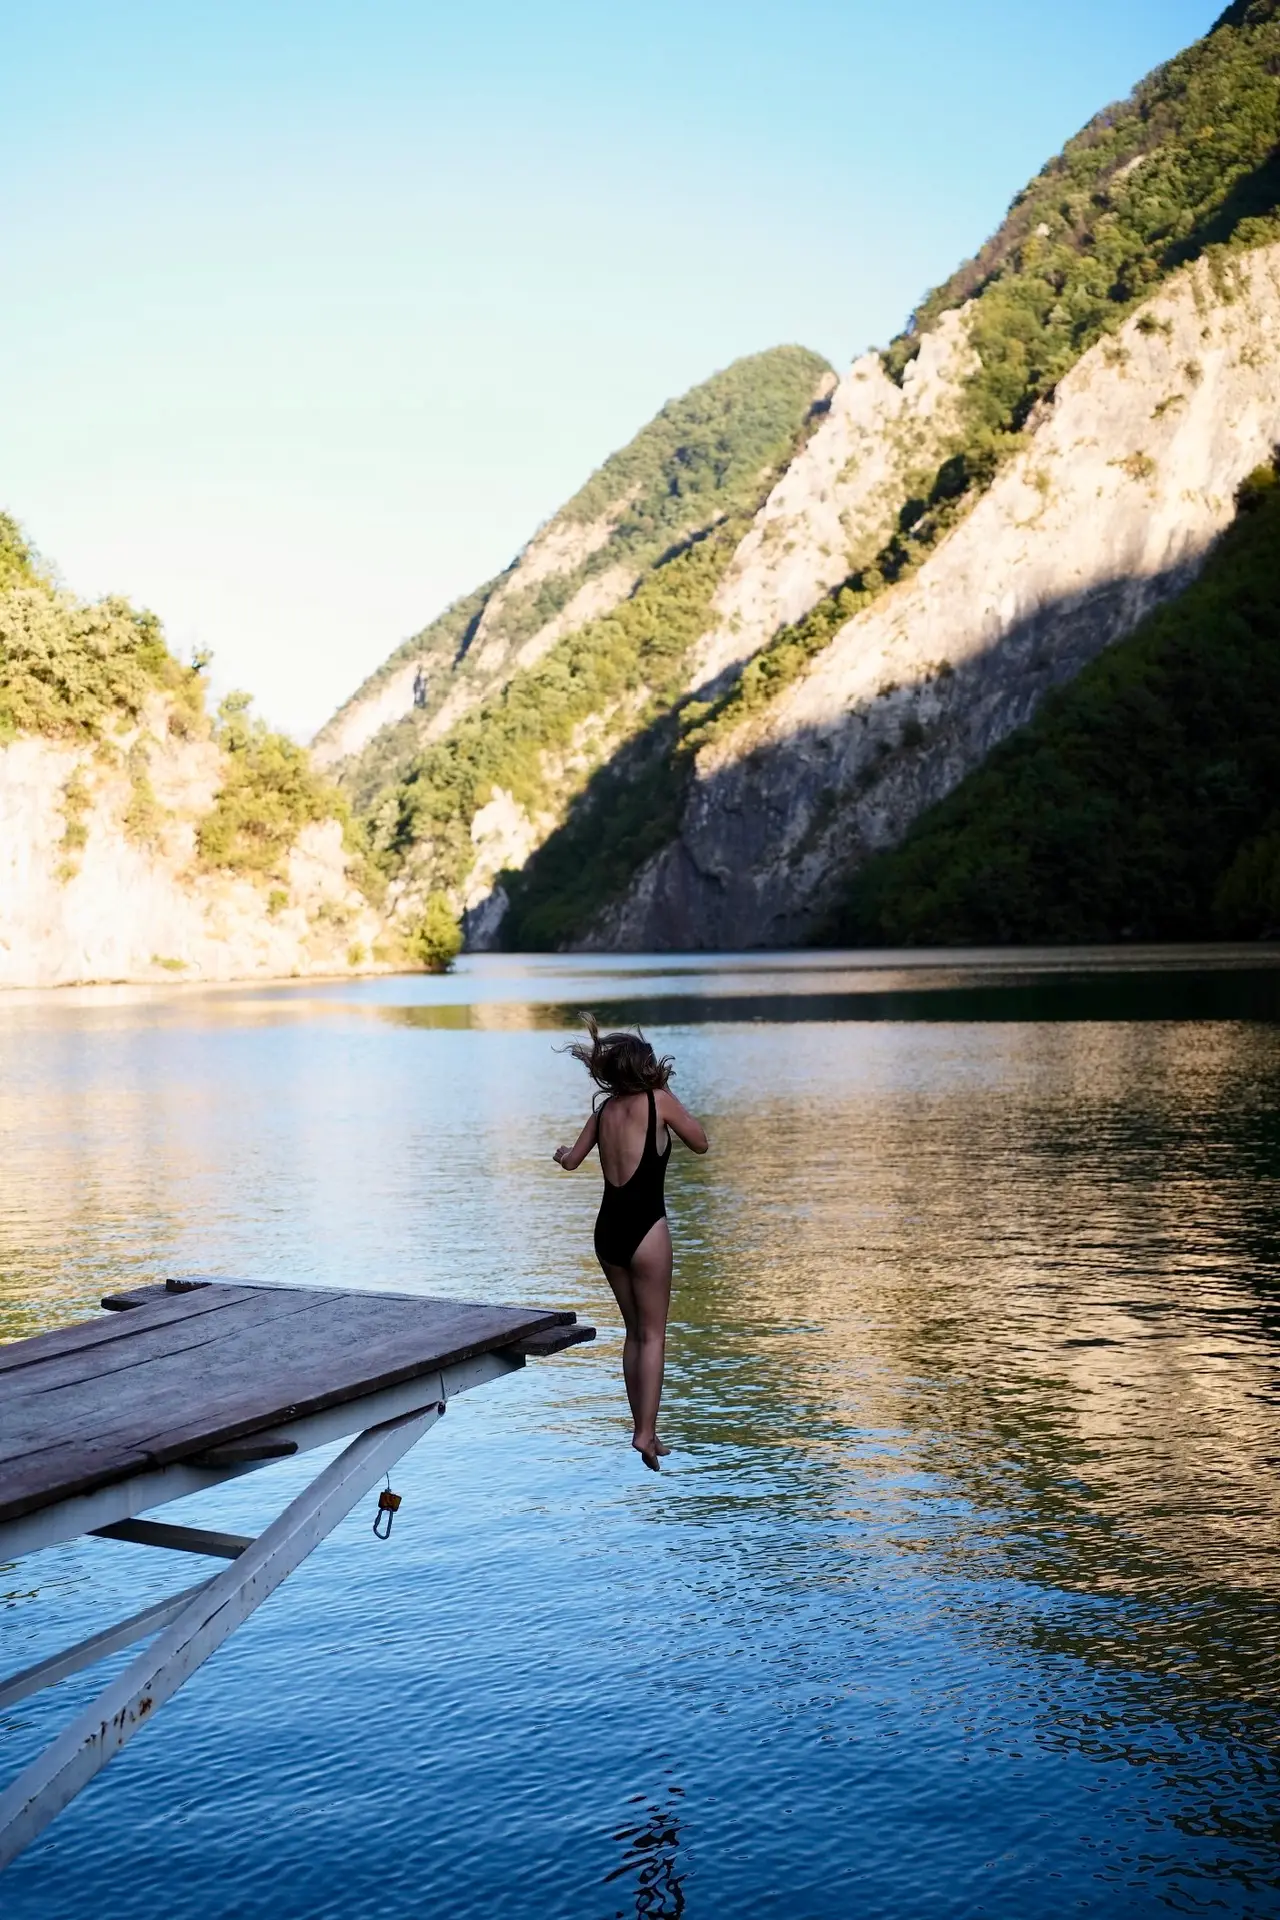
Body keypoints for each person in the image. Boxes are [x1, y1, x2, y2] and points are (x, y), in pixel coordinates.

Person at [554, 1014, 709, 1471]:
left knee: (633, 1332)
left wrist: (564, 1153)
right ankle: (646, 1431)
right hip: (647, 1229)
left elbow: (571, 1162)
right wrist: (670, 1107)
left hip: (609, 1232)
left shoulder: (602, 1112)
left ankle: (640, 1426)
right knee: (654, 1333)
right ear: (643, 1067)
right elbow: (700, 1143)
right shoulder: (658, 1101)